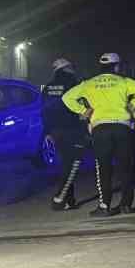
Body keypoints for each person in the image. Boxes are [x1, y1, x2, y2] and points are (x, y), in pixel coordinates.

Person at [61, 53, 135, 218]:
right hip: (122, 127)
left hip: (100, 128)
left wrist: (84, 111)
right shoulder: (123, 81)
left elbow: (67, 98)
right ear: (116, 66)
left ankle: (104, 206)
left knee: (103, 167)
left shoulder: (89, 83)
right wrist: (131, 105)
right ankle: (126, 205)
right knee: (125, 167)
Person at [41, 58, 88, 211]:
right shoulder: (74, 84)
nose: (73, 70)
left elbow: (44, 112)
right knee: (72, 164)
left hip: (55, 131)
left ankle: (69, 200)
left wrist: (47, 132)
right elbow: (83, 106)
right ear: (66, 69)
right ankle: (59, 197)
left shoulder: (47, 88)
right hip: (72, 129)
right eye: (71, 67)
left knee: (66, 163)